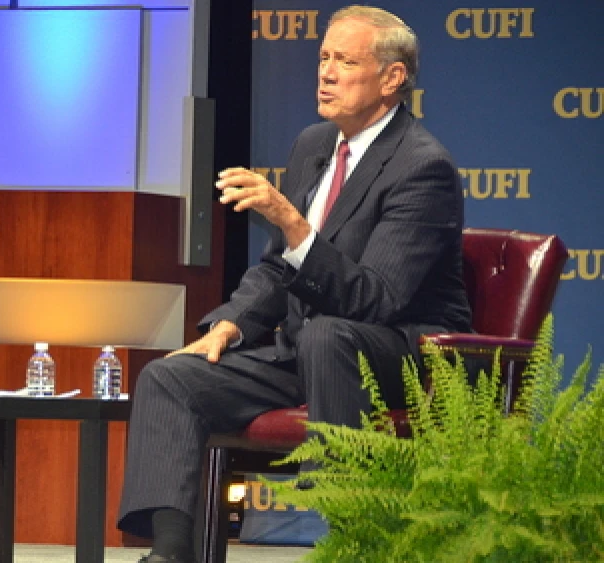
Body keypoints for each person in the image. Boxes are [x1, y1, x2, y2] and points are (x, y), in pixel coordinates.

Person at [117, 6, 473, 562]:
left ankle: (349, 536)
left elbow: (376, 299)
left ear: (392, 78)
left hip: (400, 356)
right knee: (171, 377)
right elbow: (278, 269)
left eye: (345, 61)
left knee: (328, 334)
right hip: (309, 346)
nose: (326, 72)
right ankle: (169, 553)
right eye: (323, 57)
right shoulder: (313, 144)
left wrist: (293, 223)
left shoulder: (422, 166)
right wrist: (231, 325)